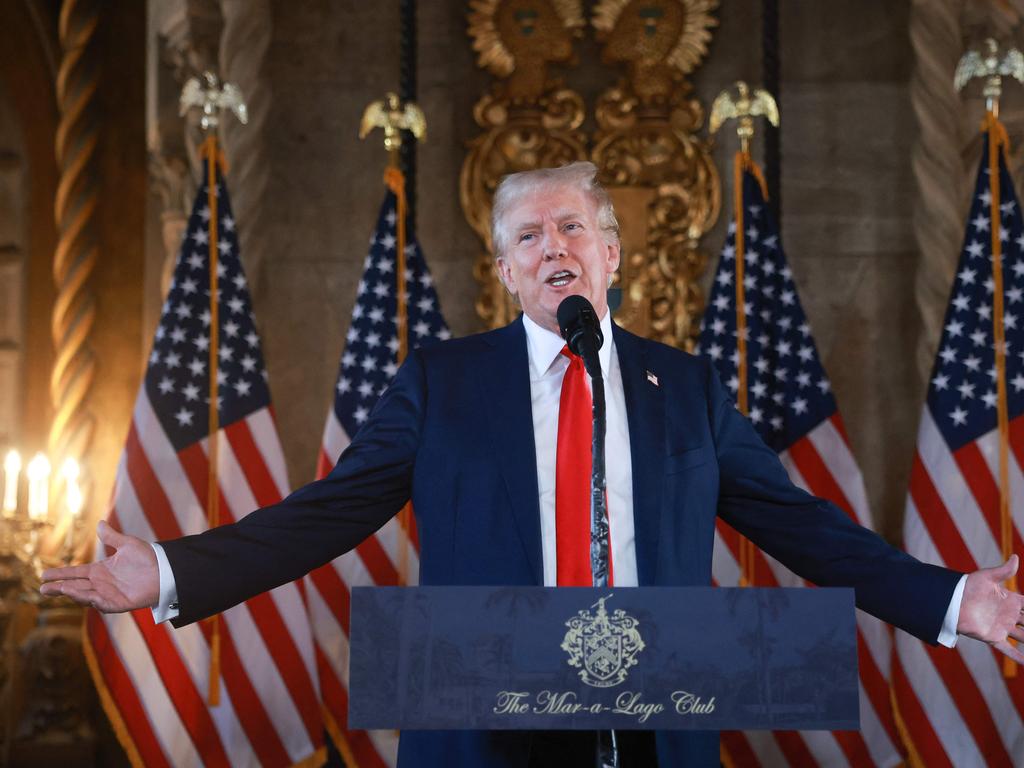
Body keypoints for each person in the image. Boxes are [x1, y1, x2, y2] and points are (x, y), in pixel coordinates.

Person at [41, 162, 1024, 768]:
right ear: (503, 270)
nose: (550, 245)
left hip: (655, 727)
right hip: (481, 731)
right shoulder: (440, 382)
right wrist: (170, 570)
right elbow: (325, 513)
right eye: (526, 235)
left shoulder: (680, 388)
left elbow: (800, 523)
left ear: (610, 253)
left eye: (569, 228)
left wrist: (952, 601)